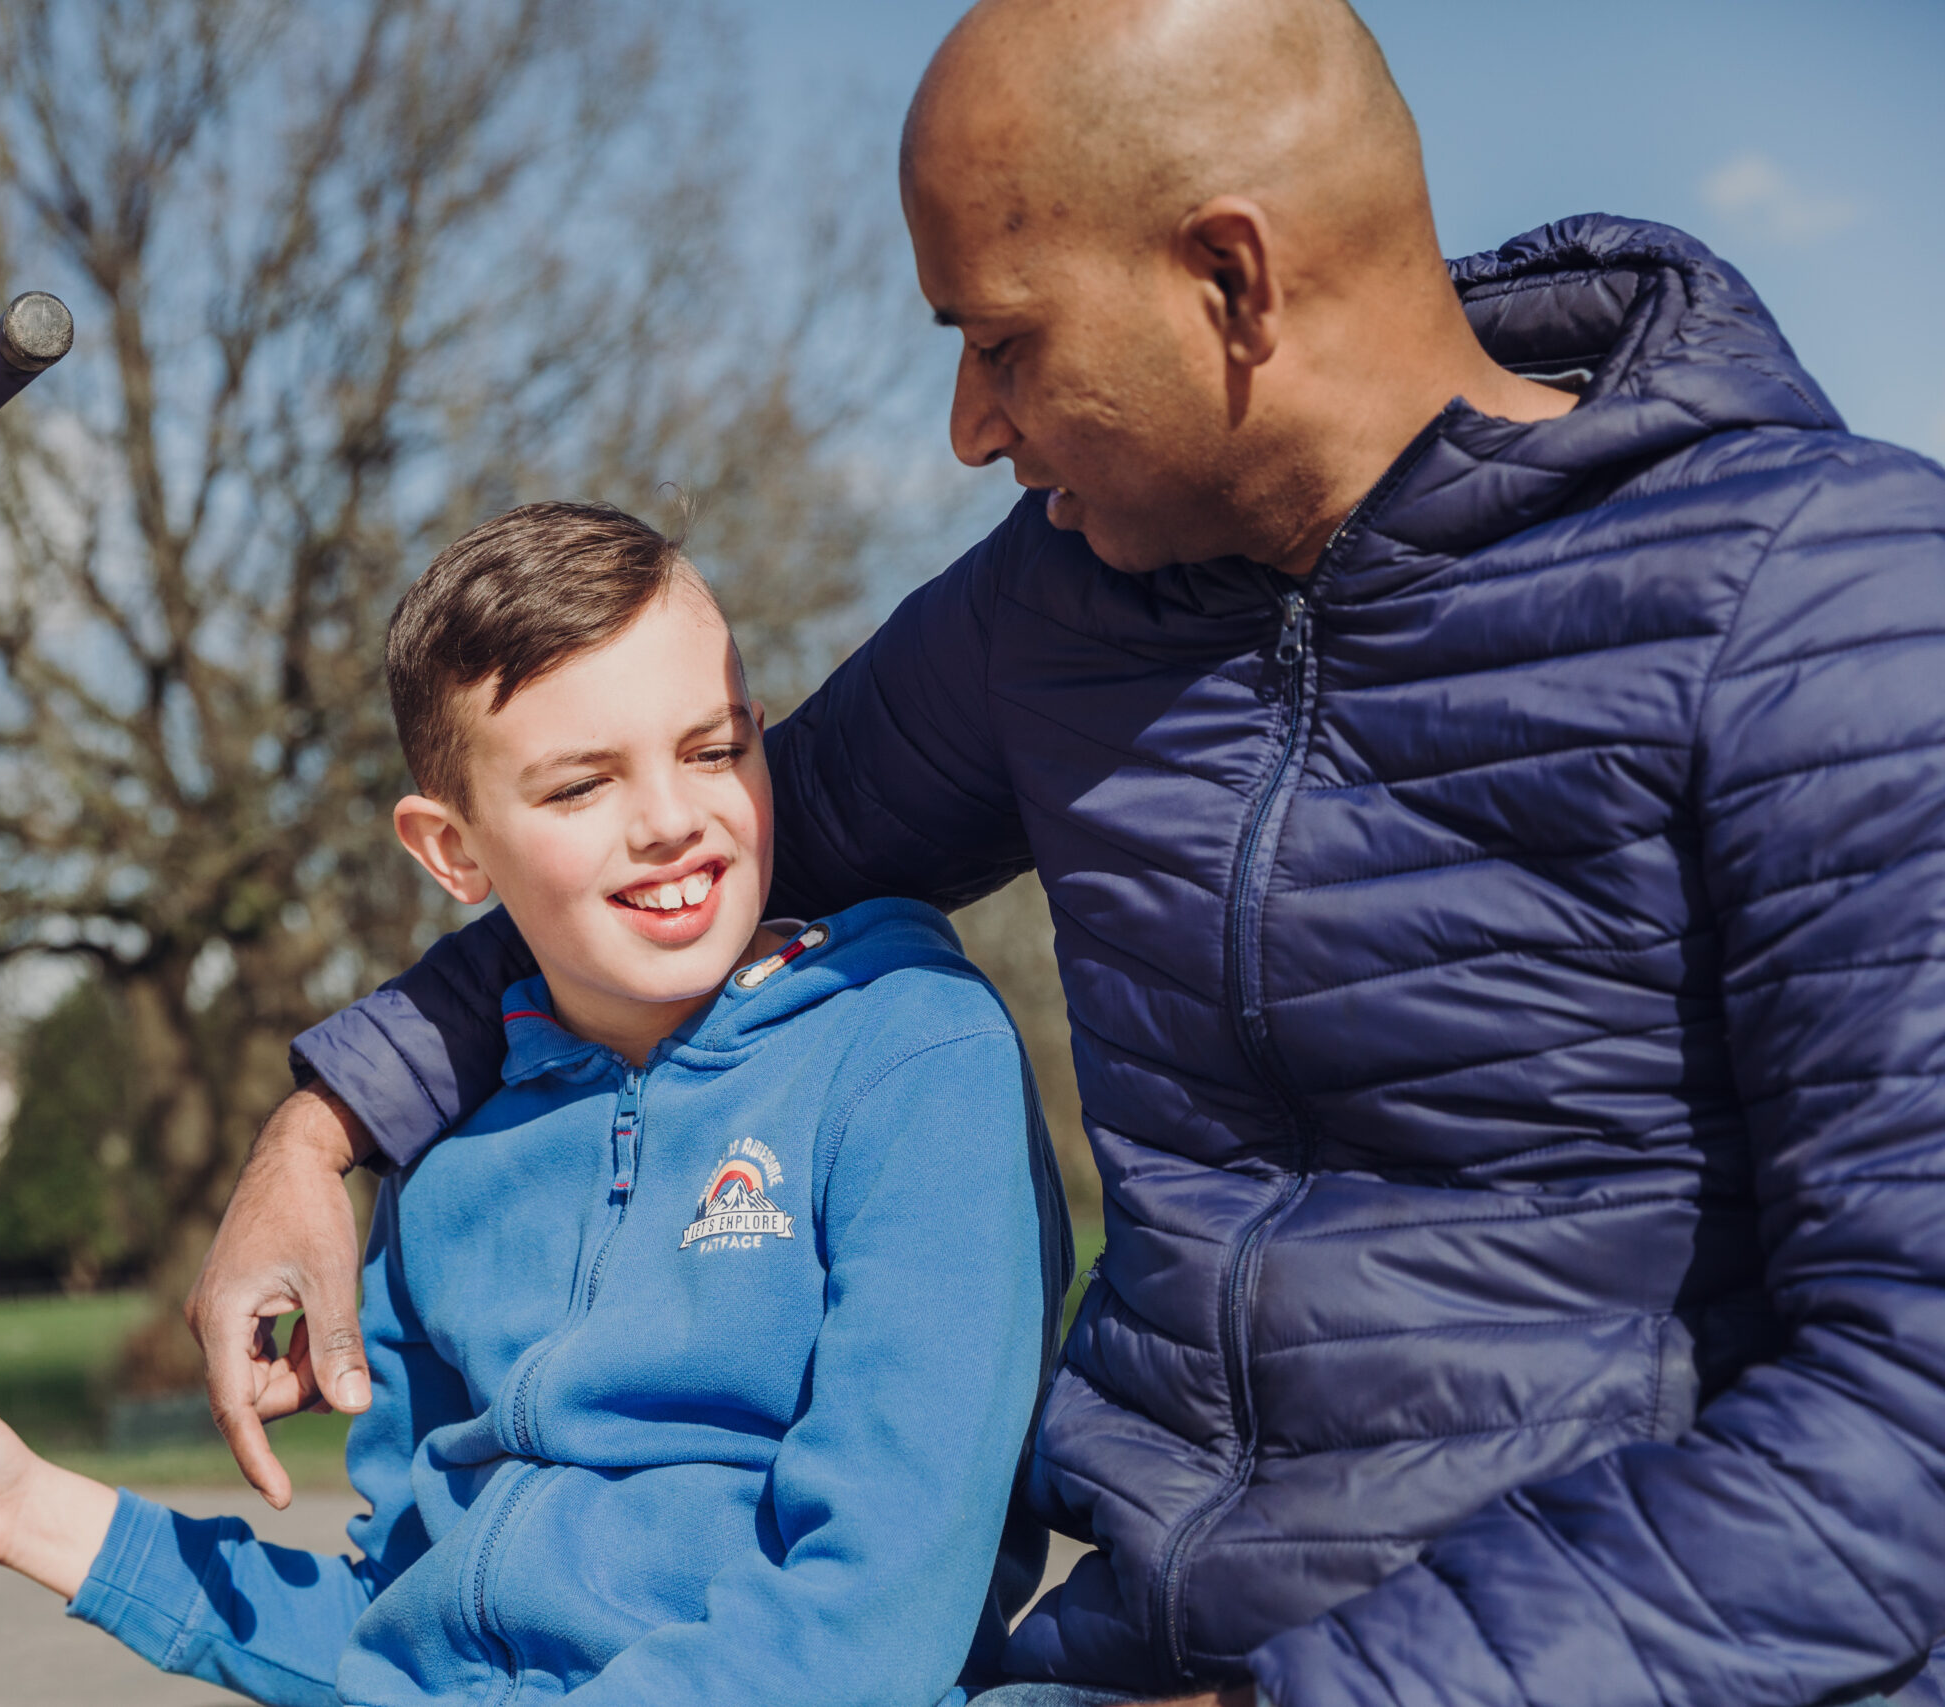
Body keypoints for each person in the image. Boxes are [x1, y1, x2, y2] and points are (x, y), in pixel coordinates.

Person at [187, 3, 1945, 1706]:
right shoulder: (1054, 610)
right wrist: (325, 1126)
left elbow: (1903, 1440)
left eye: (1001, 339)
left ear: (1231, 281)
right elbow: (663, 871)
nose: (970, 424)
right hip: (1108, 1656)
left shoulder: (1833, 614)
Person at [0, 502, 1070, 1707]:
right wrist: (37, 1513)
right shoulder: (446, 1163)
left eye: (714, 748)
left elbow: (868, 1623)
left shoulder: (910, 1053)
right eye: (580, 787)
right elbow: (398, 1636)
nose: (674, 822)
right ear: (451, 851)